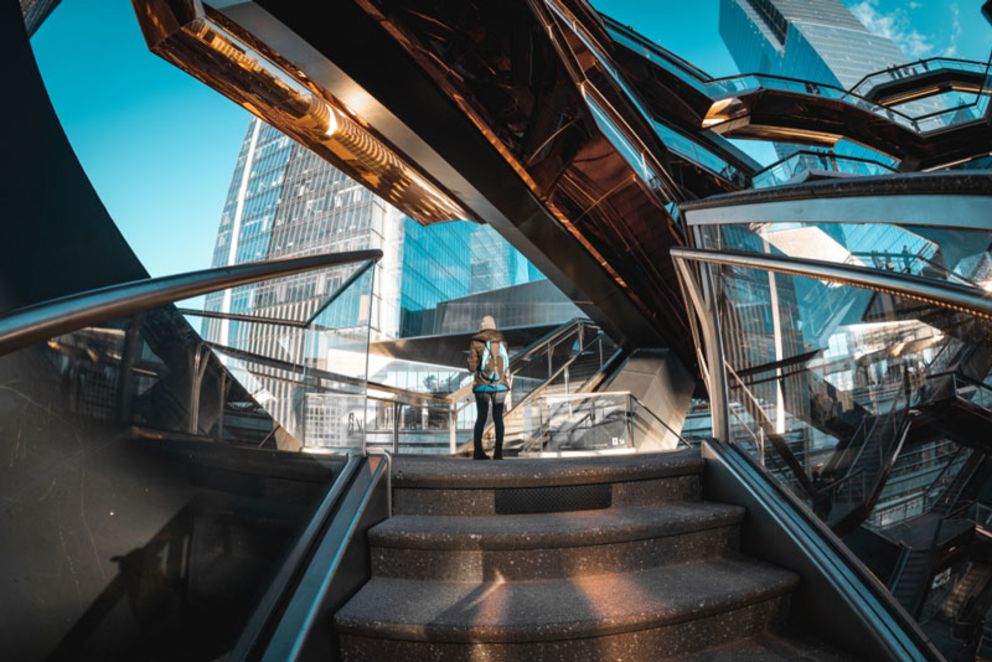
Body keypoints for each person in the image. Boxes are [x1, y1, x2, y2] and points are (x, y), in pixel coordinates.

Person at [467, 315, 510, 460]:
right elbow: (505, 363)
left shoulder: (476, 341)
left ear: (482, 326)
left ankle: (478, 452)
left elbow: (471, 367)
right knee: (498, 418)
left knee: (481, 417)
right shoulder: (502, 340)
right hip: (500, 384)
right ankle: (498, 453)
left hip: (482, 385)